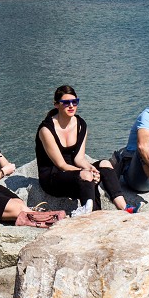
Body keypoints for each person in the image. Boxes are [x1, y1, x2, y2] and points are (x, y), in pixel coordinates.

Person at [34, 86, 132, 216]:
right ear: (56, 105)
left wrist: (93, 170)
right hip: (53, 177)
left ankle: (124, 207)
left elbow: (79, 159)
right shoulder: (46, 130)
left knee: (105, 164)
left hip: (74, 171)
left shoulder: (80, 124)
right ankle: (91, 214)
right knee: (86, 176)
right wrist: (87, 172)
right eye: (66, 103)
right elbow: (61, 165)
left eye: (74, 102)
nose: (71, 106)